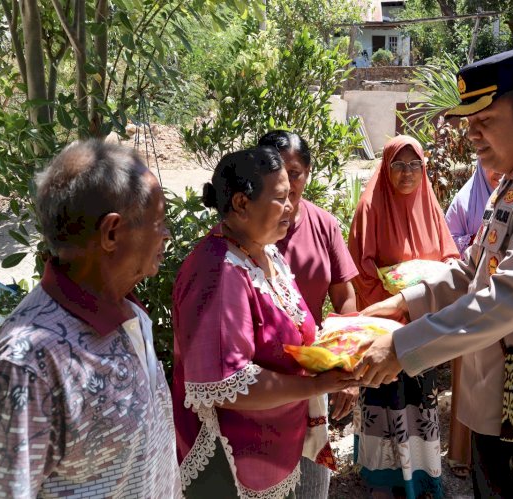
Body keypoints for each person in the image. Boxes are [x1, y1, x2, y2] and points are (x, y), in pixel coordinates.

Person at [354, 45, 513, 498]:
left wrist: (401, 347)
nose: (472, 135)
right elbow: (470, 273)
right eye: (469, 124)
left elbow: (506, 300)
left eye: (484, 122)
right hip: (501, 407)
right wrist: (403, 304)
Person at [0, 140, 180, 497]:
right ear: (112, 233)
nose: (166, 235)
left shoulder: (126, 309)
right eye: (159, 222)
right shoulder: (27, 363)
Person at [171, 146, 358, 499]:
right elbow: (229, 383)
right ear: (241, 204)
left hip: (274, 447)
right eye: (280, 198)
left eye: (291, 196)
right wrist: (316, 386)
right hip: (236, 461)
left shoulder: (265, 252)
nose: (291, 207)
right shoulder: (219, 272)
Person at [348, 135, 458, 498]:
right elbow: (360, 271)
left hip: (422, 323)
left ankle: (421, 473)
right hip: (387, 326)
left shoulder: (429, 204)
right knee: (387, 395)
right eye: (398, 165)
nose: (407, 173)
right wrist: (395, 300)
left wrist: (427, 285)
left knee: (419, 398)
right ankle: (386, 478)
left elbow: (450, 259)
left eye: (415, 165)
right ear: (385, 167)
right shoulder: (370, 207)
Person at [258, 130, 360, 498]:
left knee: (310, 479)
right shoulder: (243, 235)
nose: (287, 182)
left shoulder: (323, 225)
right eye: (277, 172)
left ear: (309, 173)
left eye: (296, 172)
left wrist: (347, 369)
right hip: (261, 385)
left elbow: (344, 296)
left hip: (312, 378)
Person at [444, 162, 503, 479]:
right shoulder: (465, 200)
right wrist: (477, 242)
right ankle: (461, 455)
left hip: (504, 308)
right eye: (489, 166)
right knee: (467, 381)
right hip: (469, 306)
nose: (496, 172)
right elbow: (448, 245)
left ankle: (491, 460)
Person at [446, 162, 503, 256]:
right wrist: (476, 241)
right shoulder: (463, 201)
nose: (500, 171)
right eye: (492, 162)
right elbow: (448, 243)